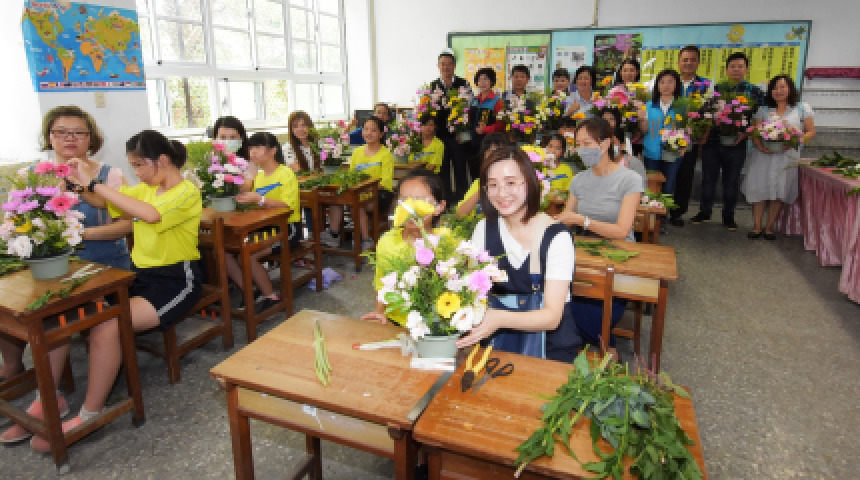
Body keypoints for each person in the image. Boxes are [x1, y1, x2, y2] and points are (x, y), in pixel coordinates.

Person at [24, 130, 202, 453]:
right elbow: (107, 202)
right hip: (140, 275)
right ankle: (52, 400)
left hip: (176, 280)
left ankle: (90, 415)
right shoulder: (148, 188)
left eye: (139, 165)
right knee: (73, 314)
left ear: (162, 160)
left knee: (107, 324)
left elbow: (149, 215)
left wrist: (95, 183)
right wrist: (81, 183)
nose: (137, 173)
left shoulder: (186, 191)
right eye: (133, 166)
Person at [0, 106, 132, 445]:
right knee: (36, 315)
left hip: (104, 268)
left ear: (91, 138)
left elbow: (128, 225)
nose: (70, 138)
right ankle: (47, 400)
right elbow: (15, 224)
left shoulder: (109, 174)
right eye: (62, 132)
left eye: (79, 132)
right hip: (51, 272)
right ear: (49, 137)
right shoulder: (32, 176)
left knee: (59, 318)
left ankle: (77, 407)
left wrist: (79, 234)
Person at [456, 146, 577, 362]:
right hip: (496, 345)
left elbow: (552, 317)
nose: (502, 193)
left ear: (529, 183)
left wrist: (498, 319)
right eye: (493, 185)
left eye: (511, 183)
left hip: (549, 352)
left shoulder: (556, 237)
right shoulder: (483, 229)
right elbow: (473, 291)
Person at [555, 117, 642, 351]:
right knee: (561, 301)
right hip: (584, 256)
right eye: (578, 144)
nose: (582, 149)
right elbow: (567, 218)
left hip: (618, 258)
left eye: (587, 143)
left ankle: (604, 348)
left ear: (605, 144)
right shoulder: (579, 180)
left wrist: (582, 221)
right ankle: (601, 348)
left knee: (584, 313)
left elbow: (622, 231)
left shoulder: (629, 180)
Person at [225, 132, 302, 313]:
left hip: (287, 229)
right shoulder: (258, 177)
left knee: (249, 256)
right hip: (265, 228)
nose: (253, 152)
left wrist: (260, 199)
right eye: (251, 148)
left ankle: (271, 296)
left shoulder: (285, 173)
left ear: (273, 150)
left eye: (258, 147)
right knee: (226, 251)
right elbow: (254, 204)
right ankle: (252, 290)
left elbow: (289, 205)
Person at [361, 168, 447, 325]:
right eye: (404, 200)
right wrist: (380, 313)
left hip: (434, 325)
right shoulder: (387, 241)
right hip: (396, 321)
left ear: (439, 207)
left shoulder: (447, 242)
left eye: (419, 200)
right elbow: (382, 285)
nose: (410, 208)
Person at [691, 52, 765, 230]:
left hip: (737, 143)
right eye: (732, 66)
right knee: (708, 179)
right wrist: (702, 136)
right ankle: (704, 212)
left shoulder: (754, 92)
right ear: (726, 70)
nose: (736, 70)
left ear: (746, 69)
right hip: (713, 142)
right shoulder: (716, 89)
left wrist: (745, 134)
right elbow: (705, 113)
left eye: (740, 66)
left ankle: (728, 216)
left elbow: (759, 118)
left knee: (731, 181)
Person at [742, 75, 815, 240]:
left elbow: (811, 132)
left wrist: (793, 142)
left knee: (779, 190)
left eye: (782, 87)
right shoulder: (763, 109)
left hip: (787, 156)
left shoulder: (802, 108)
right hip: (763, 155)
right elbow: (755, 132)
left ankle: (769, 228)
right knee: (759, 189)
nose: (778, 91)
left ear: (790, 89)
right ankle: (757, 226)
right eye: (775, 88)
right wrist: (760, 146)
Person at [321, 116, 393, 251]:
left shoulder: (386, 154)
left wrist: (365, 190)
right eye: (366, 129)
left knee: (357, 202)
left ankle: (366, 240)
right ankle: (334, 235)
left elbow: (385, 181)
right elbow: (352, 175)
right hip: (359, 192)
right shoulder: (357, 152)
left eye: (373, 130)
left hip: (380, 193)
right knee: (336, 198)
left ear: (381, 134)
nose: (369, 133)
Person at [669, 45, 712, 227]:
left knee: (685, 175)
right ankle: (660, 210)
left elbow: (709, 113)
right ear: (679, 62)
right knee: (667, 175)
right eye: (685, 60)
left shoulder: (706, 85)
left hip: (691, 139)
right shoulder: (670, 82)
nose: (688, 63)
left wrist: (704, 134)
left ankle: (677, 213)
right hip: (667, 136)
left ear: (698, 62)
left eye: (692, 60)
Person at [430, 49, 473, 203]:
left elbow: (469, 107)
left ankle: (464, 203)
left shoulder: (463, 83)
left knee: (460, 170)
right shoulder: (433, 85)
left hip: (458, 136)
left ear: (454, 65)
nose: (446, 67)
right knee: (443, 172)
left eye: (449, 64)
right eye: (443, 64)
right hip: (440, 135)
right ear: (438, 66)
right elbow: (430, 110)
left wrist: (463, 132)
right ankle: (445, 203)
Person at [640, 69, 684, 195]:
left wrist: (684, 146)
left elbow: (686, 130)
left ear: (676, 85)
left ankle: (665, 209)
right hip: (651, 153)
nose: (666, 85)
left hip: (673, 153)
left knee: (668, 189)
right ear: (657, 85)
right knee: (651, 189)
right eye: (662, 82)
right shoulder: (648, 105)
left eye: (670, 82)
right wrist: (642, 119)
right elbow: (644, 130)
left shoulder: (682, 106)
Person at [455, 133, 510, 217]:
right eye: (491, 152)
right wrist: (482, 189)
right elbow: (459, 214)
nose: (495, 157)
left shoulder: (515, 183)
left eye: (499, 152)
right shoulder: (479, 184)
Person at [467, 67, 505, 181]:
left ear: (492, 81)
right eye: (480, 79)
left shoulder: (497, 101)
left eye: (486, 79)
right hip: (473, 143)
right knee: (474, 173)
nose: (482, 82)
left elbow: (501, 125)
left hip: (488, 145)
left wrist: (485, 130)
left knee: (488, 174)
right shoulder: (474, 100)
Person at [600, 107, 647, 188]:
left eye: (613, 143)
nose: (609, 146)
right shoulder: (598, 162)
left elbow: (641, 188)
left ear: (622, 146)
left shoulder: (633, 163)